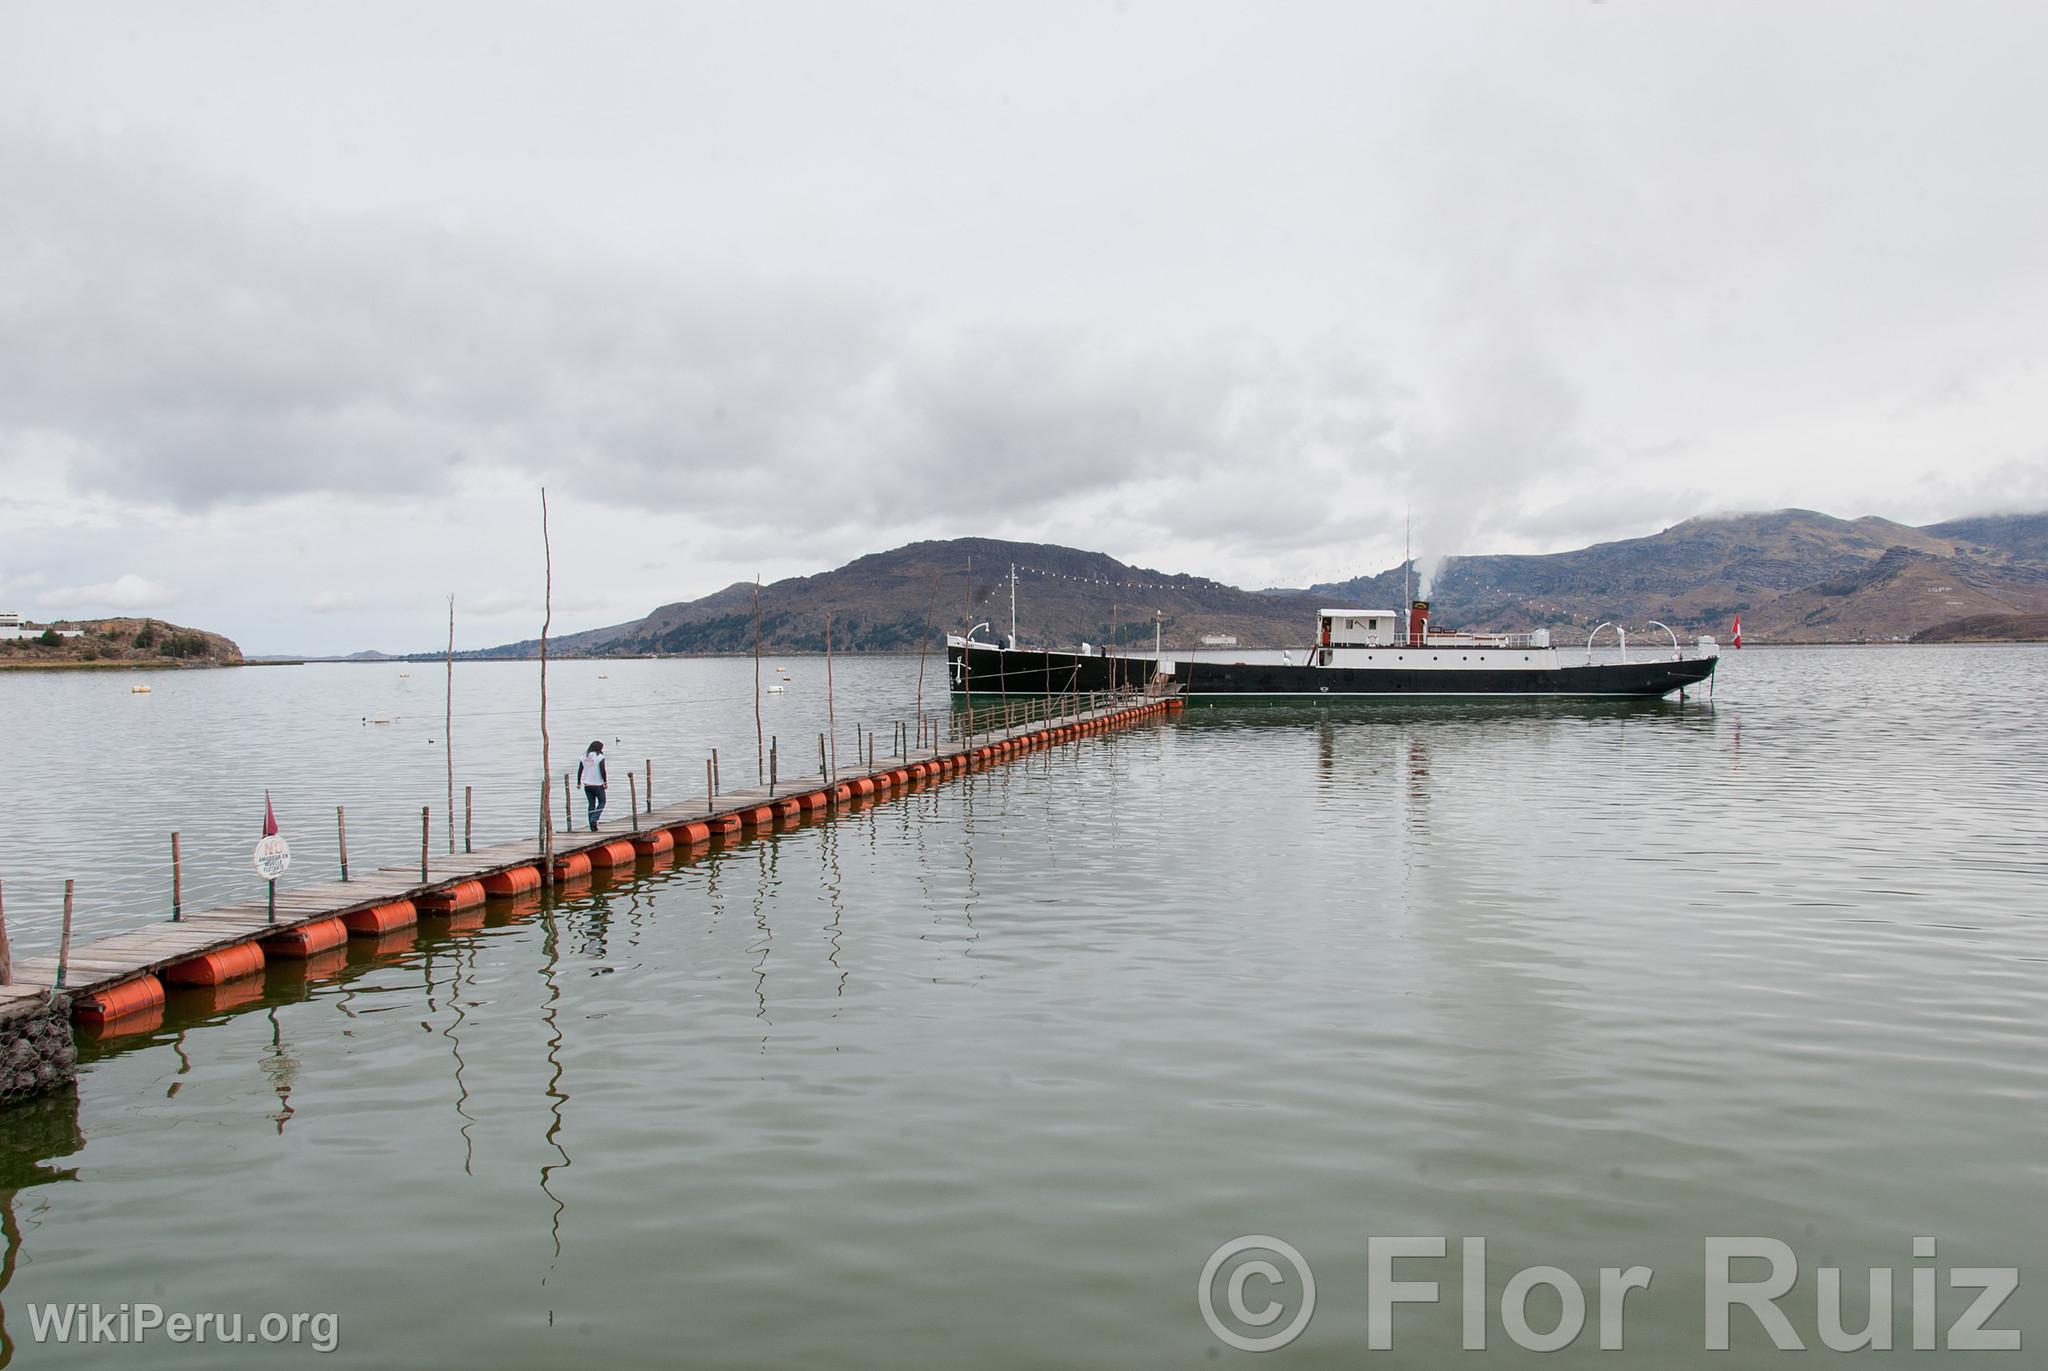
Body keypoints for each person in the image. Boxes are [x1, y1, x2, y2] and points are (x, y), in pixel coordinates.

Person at [579, 740, 608, 831]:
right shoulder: (599, 757)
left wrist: (578, 782)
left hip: (587, 784)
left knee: (591, 804)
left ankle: (592, 827)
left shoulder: (584, 756)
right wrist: (605, 782)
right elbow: (602, 770)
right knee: (602, 801)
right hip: (598, 784)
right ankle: (594, 819)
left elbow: (580, 769)